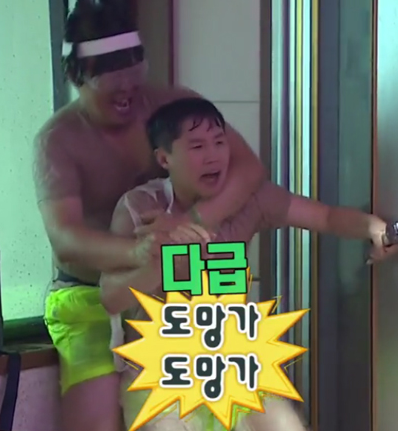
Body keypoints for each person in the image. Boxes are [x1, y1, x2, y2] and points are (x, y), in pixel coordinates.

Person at [32, 0, 266, 431]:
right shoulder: (57, 140)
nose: (127, 88)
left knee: (233, 408)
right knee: (99, 419)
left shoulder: (173, 105)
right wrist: (138, 253)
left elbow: (248, 169)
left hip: (178, 288)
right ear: (77, 77)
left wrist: (192, 224)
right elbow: (66, 240)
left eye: (133, 70)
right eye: (109, 77)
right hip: (90, 295)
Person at [100, 97, 396, 430]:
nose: (213, 156)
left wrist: (374, 227)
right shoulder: (140, 207)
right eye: (197, 146)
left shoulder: (248, 199)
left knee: (287, 426)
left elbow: (325, 216)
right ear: (164, 158)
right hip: (161, 367)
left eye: (219, 142)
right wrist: (157, 260)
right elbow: (110, 297)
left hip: (233, 360)